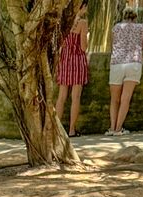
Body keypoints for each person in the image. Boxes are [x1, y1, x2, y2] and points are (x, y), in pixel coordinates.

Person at [107, 7, 143, 135]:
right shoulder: (140, 28)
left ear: (124, 16)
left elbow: (112, 45)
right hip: (133, 63)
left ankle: (112, 128)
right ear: (135, 17)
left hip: (117, 63)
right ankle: (119, 129)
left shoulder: (116, 28)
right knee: (126, 99)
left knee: (114, 99)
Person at [55, 2, 89, 137]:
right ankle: (71, 130)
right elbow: (83, 47)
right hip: (77, 60)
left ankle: (56, 130)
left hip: (64, 59)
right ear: (82, 7)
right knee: (76, 97)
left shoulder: (63, 22)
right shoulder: (83, 23)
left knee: (61, 97)